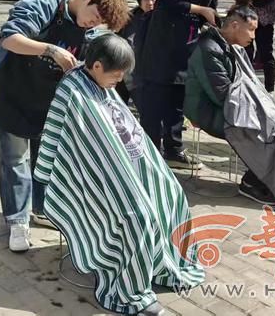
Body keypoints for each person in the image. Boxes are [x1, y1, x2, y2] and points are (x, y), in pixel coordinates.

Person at [35, 34, 204, 316]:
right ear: (97, 66)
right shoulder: (73, 92)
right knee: (138, 216)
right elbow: (69, 147)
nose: (121, 79)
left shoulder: (104, 83)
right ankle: (131, 290)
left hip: (122, 165)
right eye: (116, 73)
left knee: (171, 193)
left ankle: (161, 264)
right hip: (91, 179)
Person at [0, 0, 129, 252]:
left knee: (46, 155)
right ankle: (17, 220)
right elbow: (9, 38)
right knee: (15, 158)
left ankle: (42, 209)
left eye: (99, 23)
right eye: (94, 17)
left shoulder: (88, 27)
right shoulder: (45, 0)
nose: (92, 24)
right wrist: (51, 50)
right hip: (15, 84)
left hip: (49, 94)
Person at [184, 7, 275, 211]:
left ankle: (274, 181)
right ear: (235, 25)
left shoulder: (229, 46)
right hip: (207, 111)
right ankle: (253, 183)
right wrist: (258, 113)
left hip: (230, 106)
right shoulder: (209, 49)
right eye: (251, 30)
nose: (253, 36)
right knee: (268, 133)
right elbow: (222, 95)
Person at [136, 0, 255, 170]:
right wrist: (201, 10)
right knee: (154, 105)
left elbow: (204, 18)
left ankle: (174, 150)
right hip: (161, 50)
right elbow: (166, 2)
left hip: (183, 52)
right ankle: (148, 154)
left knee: (176, 104)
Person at [118, 0, 158, 104]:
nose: (150, 3)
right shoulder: (129, 17)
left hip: (149, 72)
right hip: (127, 67)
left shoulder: (160, 18)